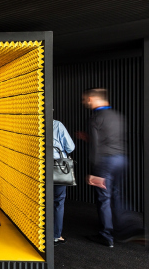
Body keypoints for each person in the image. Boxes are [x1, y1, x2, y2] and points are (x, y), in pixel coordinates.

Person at [82, 88, 129, 248]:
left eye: (86, 99)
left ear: (92, 98)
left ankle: (106, 235)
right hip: (120, 159)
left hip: (104, 162)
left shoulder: (96, 118)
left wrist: (94, 171)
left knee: (103, 198)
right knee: (116, 195)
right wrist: (87, 137)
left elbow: (96, 146)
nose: (85, 102)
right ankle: (120, 230)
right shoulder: (117, 116)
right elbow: (109, 138)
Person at [53, 119, 75, 245]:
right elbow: (70, 147)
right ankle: (55, 235)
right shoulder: (57, 125)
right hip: (58, 167)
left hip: (37, 166)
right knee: (58, 201)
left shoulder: (32, 123)